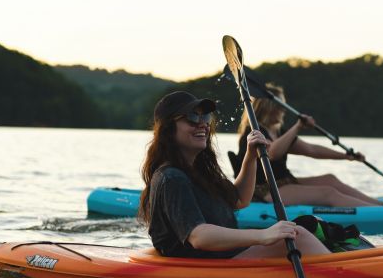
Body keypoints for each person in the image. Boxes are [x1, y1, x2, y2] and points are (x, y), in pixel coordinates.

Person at [140, 91, 330, 259]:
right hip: (205, 265)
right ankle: (346, 277)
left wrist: (250, 157)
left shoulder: (199, 172)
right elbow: (199, 236)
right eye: (192, 118)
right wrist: (263, 236)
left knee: (312, 224)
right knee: (299, 237)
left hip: (224, 255)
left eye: (205, 117)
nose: (202, 125)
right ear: (168, 129)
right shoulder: (171, 178)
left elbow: (239, 200)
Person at [235, 84, 383, 207]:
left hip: (284, 182)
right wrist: (298, 126)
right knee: (327, 192)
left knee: (330, 179)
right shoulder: (254, 134)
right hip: (264, 191)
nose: (283, 110)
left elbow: (312, 150)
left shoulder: (278, 131)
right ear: (268, 108)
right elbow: (272, 153)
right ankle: (382, 212)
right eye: (280, 106)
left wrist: (346, 156)